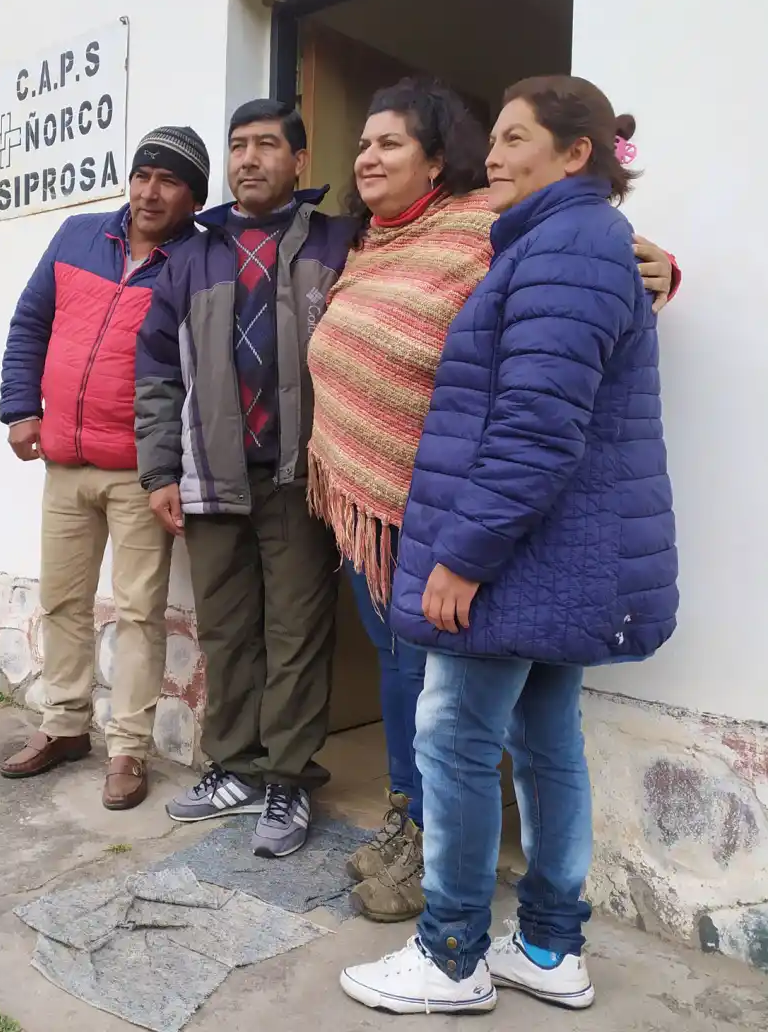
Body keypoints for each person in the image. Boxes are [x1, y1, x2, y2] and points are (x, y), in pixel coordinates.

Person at [339, 76, 679, 1015]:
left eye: (516, 137)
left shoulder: (569, 243)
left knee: (451, 737)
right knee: (544, 745)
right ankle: (547, 947)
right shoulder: (560, 240)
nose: (494, 153)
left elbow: (536, 425)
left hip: (521, 553)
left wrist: (464, 556)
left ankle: (450, 955)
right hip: (555, 553)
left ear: (578, 154)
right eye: (491, 137)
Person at [134, 99, 354, 857]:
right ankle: (235, 767)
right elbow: (157, 373)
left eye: (267, 145)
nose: (249, 159)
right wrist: (159, 469)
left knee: (295, 632)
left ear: (299, 159)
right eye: (238, 146)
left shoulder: (339, 241)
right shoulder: (191, 257)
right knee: (227, 632)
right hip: (211, 477)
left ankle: (288, 779)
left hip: (301, 475)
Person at [0, 126, 210, 811]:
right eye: (143, 174)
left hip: (139, 470)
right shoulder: (78, 236)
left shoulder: (198, 260)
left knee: (142, 612)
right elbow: (30, 322)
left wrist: (172, 464)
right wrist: (19, 408)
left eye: (168, 180)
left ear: (194, 196)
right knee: (62, 600)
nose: (150, 191)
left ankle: (127, 749)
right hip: (64, 461)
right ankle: (63, 726)